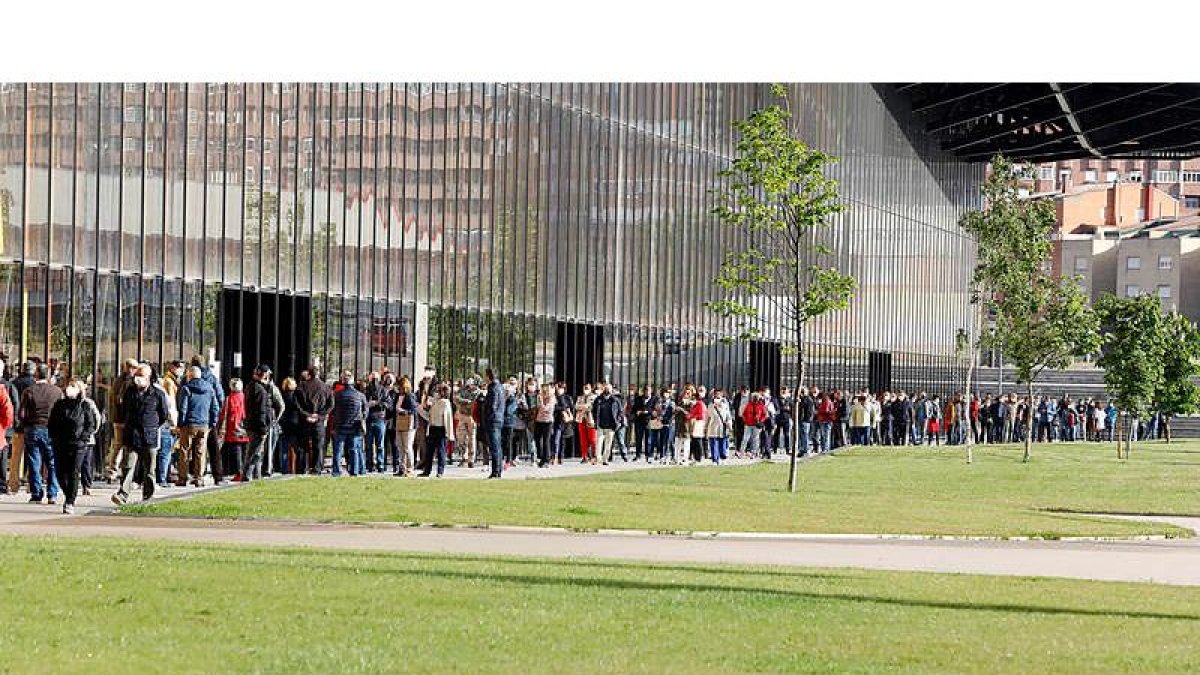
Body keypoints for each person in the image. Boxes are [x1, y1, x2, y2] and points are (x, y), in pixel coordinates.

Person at [113, 365, 168, 504]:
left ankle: (148, 496)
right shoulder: (129, 392)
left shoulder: (157, 394)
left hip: (149, 436)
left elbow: (163, 414)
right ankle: (123, 494)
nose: (138, 378)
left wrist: (153, 426)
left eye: (141, 375)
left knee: (149, 469)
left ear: (149, 377)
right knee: (128, 466)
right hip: (132, 435)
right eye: (137, 375)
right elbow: (123, 410)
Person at [48, 380, 100, 514]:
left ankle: (70, 501)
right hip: (60, 443)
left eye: (73, 387)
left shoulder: (85, 405)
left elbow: (91, 423)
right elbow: (52, 422)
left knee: (73, 471)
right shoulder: (59, 405)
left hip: (78, 445)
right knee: (60, 472)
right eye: (69, 386)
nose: (69, 389)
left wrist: (84, 438)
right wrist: (53, 437)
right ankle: (67, 492)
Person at [21, 364, 64, 505]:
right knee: (52, 462)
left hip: (33, 428)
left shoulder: (29, 391)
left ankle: (36, 493)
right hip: (52, 430)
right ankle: (52, 493)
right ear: (48, 375)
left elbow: (22, 413)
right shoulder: (57, 392)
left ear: (36, 375)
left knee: (34, 461)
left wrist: (25, 424)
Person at [176, 366, 219, 487]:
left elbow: (183, 408)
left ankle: (182, 478)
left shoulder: (186, 389)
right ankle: (199, 478)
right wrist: (213, 423)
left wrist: (180, 423)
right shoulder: (209, 388)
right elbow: (215, 407)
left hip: (189, 424)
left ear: (189, 376)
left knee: (184, 451)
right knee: (201, 452)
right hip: (204, 424)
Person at [294, 368, 334, 474]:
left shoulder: (301, 386)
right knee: (318, 446)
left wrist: (307, 415)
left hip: (304, 421)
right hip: (318, 421)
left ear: (309, 375)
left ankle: (301, 468)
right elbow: (331, 405)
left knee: (302, 445)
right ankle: (317, 469)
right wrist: (320, 416)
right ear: (318, 374)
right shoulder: (326, 387)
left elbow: (296, 404)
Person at [331, 370, 368, 477]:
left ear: (343, 382)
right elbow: (365, 411)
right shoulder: (360, 395)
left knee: (338, 450)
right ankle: (354, 471)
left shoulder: (337, 395)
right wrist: (362, 419)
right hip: (355, 426)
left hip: (340, 426)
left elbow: (332, 410)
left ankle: (337, 471)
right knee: (354, 450)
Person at [420, 383, 454, 477]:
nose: (435, 393)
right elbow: (429, 417)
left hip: (441, 429)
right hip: (432, 428)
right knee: (429, 451)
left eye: (437, 391)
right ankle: (427, 471)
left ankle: (440, 471)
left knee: (441, 451)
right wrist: (420, 410)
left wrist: (449, 434)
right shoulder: (435, 402)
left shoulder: (445, 403)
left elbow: (447, 418)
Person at [153, 368, 180, 488]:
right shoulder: (161, 391)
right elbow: (169, 409)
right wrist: (174, 423)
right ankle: (162, 478)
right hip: (164, 425)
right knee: (165, 452)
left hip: (153, 425)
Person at [591, 382, 624, 466]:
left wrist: (618, 421)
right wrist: (595, 420)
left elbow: (620, 412)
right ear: (603, 389)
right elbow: (593, 410)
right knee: (598, 443)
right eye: (606, 388)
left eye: (609, 389)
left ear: (611, 390)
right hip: (600, 425)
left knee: (608, 444)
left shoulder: (615, 400)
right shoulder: (598, 399)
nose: (607, 390)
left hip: (611, 425)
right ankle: (598, 458)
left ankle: (605, 459)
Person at [363, 371, 390, 474]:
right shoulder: (366, 390)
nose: (374, 380)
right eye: (372, 378)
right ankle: (369, 465)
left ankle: (380, 465)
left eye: (375, 378)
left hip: (379, 419)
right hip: (370, 419)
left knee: (380, 445)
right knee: (369, 444)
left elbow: (388, 404)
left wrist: (376, 403)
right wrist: (367, 405)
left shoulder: (383, 390)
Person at [394, 376, 418, 476]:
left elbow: (413, 410)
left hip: (409, 425)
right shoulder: (398, 396)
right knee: (400, 446)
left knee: (407, 447)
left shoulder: (410, 396)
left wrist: (403, 411)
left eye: (399, 386)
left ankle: (409, 469)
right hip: (399, 423)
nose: (398, 388)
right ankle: (402, 468)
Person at [706, 388, 732, 463]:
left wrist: (729, 424)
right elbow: (708, 416)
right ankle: (715, 460)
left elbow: (728, 415)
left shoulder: (725, 404)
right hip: (713, 427)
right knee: (713, 444)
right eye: (716, 394)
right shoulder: (711, 404)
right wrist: (705, 427)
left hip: (723, 427)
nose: (717, 395)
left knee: (723, 444)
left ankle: (723, 458)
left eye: (719, 394)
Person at [0, 359, 14, 495]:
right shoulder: (5, 388)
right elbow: (9, 410)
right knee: (3, 457)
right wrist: (6, 425)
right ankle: (2, 483)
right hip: (3, 429)